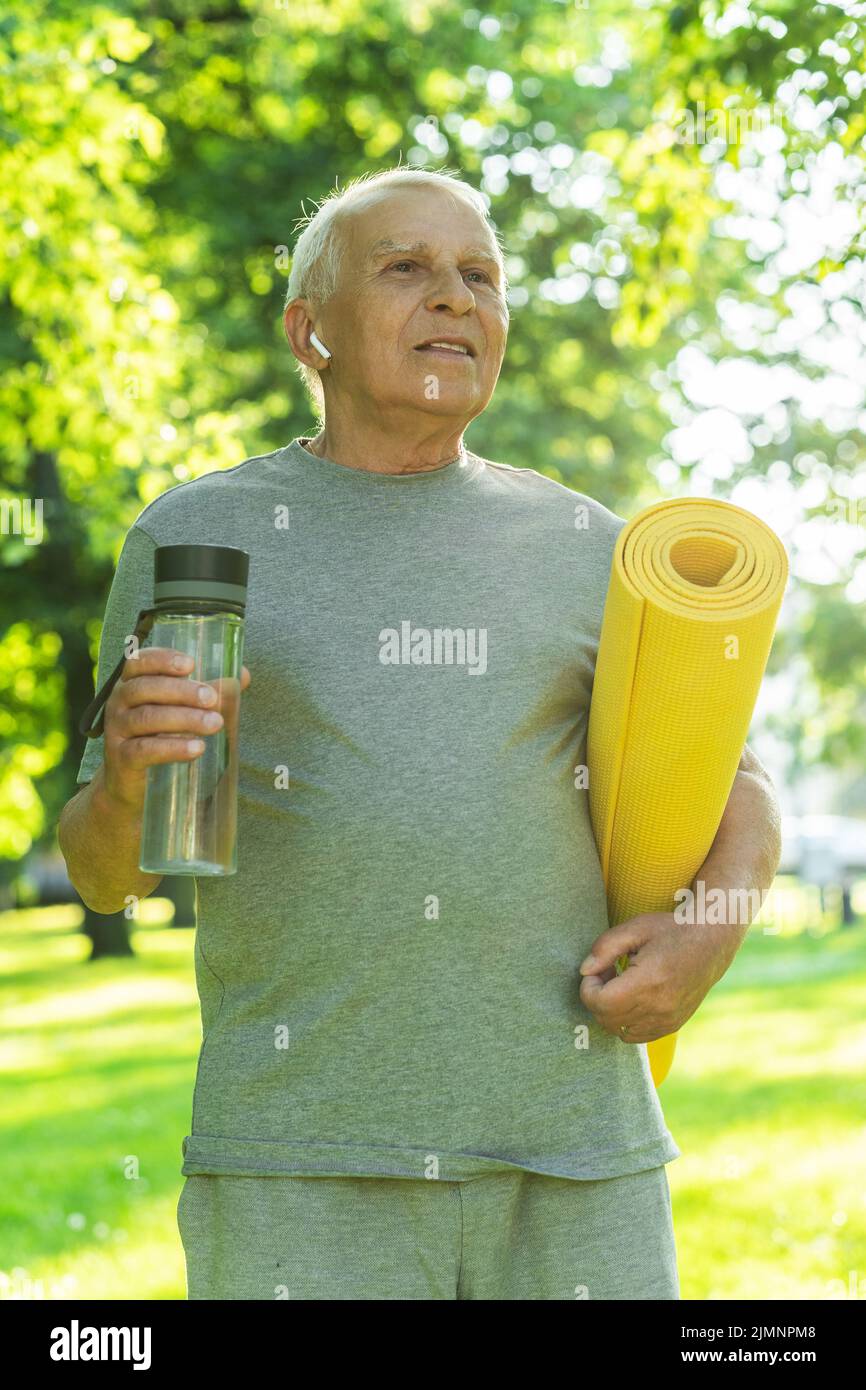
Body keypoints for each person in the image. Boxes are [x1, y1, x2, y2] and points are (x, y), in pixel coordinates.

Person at [59, 166, 782, 1301]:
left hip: (575, 1155)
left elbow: (739, 782)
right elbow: (108, 875)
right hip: (297, 1160)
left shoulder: (591, 545)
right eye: (407, 269)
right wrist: (123, 790)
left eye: (480, 277)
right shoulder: (196, 538)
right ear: (312, 332)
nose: (456, 298)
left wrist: (703, 938)